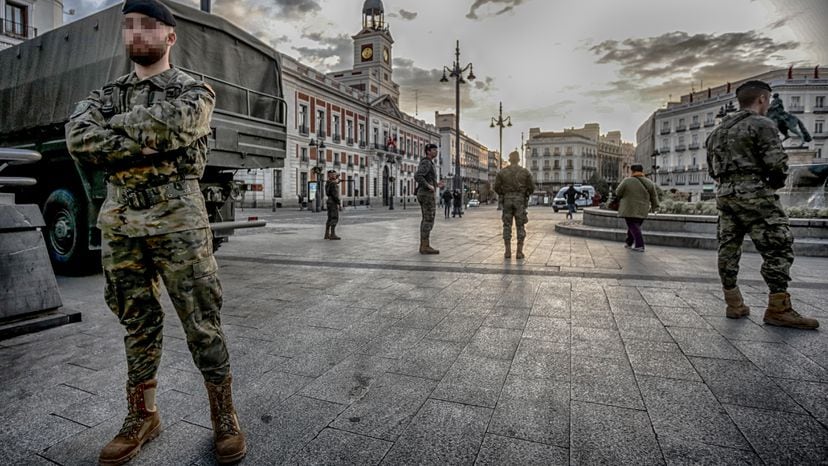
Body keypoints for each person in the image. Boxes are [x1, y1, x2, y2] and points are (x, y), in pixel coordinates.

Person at [64, 1, 245, 464]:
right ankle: (142, 415)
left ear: (170, 37)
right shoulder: (103, 95)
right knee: (136, 321)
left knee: (201, 319)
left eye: (148, 25)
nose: (136, 34)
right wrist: (145, 140)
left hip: (178, 219)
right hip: (122, 222)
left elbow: (175, 126)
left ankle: (223, 416)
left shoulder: (194, 92)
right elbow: (80, 139)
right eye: (129, 26)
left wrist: (117, 140)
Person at [706, 80, 818, 329]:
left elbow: (712, 169)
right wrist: (771, 185)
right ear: (762, 99)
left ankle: (734, 303)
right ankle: (779, 308)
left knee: (728, 248)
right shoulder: (762, 124)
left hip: (725, 194)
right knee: (778, 245)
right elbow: (777, 164)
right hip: (755, 193)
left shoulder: (717, 132)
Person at [494, 151, 535, 259]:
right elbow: (532, 187)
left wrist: (503, 193)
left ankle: (507, 252)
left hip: (507, 200)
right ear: (518, 160)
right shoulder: (525, 172)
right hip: (520, 201)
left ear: (509, 159)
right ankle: (519, 252)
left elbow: (496, 187)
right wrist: (524, 193)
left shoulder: (502, 172)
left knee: (507, 225)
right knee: (520, 226)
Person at [615, 164, 659, 252]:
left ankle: (639, 245)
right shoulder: (649, 182)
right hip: (643, 208)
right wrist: (655, 207)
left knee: (633, 225)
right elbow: (654, 196)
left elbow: (618, 192)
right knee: (635, 225)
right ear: (642, 171)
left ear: (632, 171)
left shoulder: (627, 181)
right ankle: (629, 242)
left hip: (629, 208)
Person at [414, 143, 444, 254]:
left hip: (426, 193)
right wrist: (428, 186)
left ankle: (424, 245)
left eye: (436, 150)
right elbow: (418, 176)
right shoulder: (426, 162)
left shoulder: (429, 163)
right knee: (428, 219)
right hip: (426, 194)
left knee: (427, 219)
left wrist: (436, 184)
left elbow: (427, 177)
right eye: (434, 150)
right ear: (428, 151)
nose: (436, 152)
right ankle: (424, 246)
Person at [324, 170, 342, 240]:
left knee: (329, 218)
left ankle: (326, 234)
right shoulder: (333, 184)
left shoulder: (328, 182)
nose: (335, 175)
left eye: (335, 174)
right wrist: (339, 203)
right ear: (330, 175)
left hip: (329, 201)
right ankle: (332, 234)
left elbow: (332, 183)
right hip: (333, 202)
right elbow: (335, 195)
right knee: (334, 217)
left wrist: (337, 180)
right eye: (333, 174)